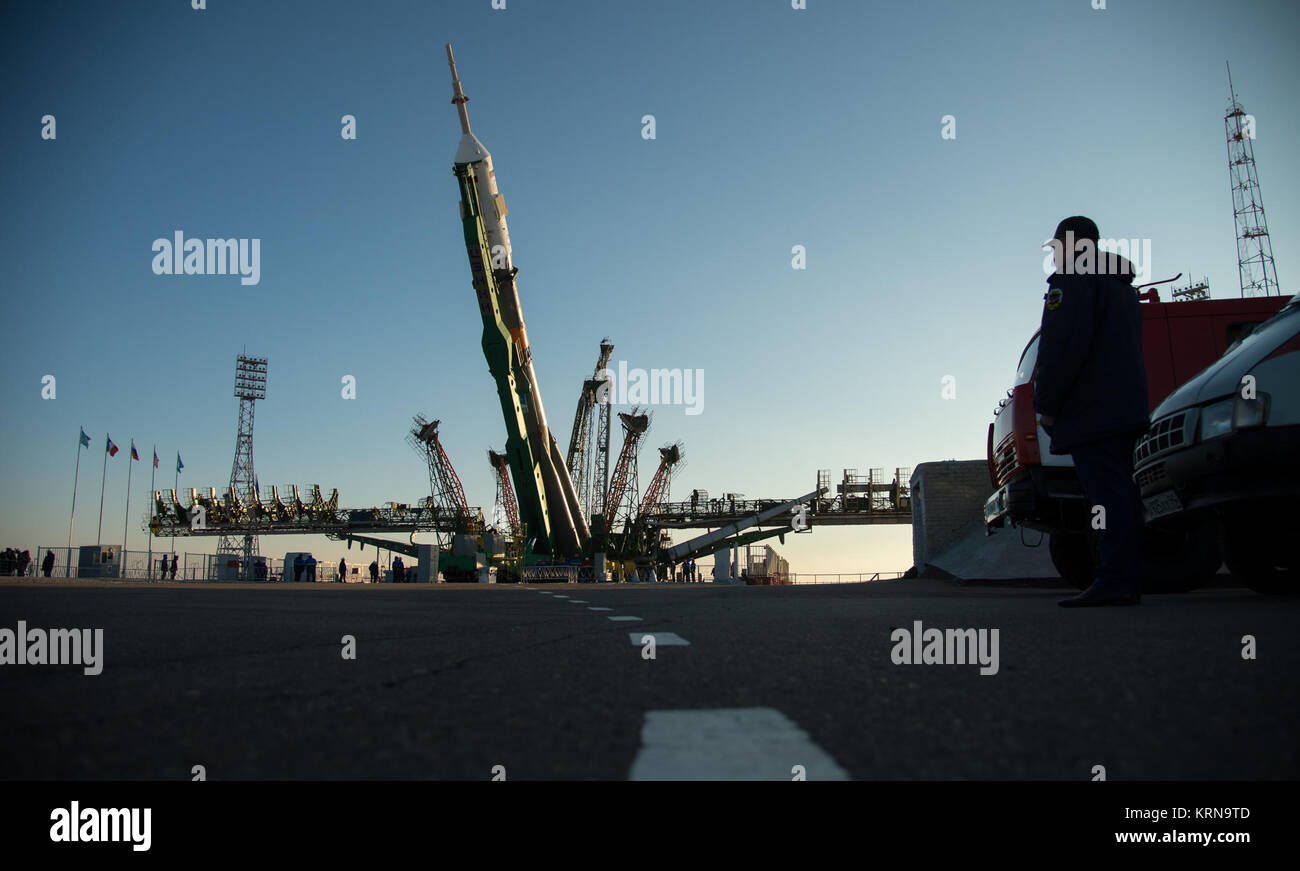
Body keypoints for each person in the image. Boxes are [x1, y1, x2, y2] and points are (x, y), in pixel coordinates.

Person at [1035, 216, 1148, 607]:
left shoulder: (1073, 280)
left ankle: (1115, 580)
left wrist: (1046, 404)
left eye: (1056, 247)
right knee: (1122, 494)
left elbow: (1062, 345)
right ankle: (1126, 577)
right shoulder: (1120, 287)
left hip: (1092, 410)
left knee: (1104, 497)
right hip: (1125, 406)